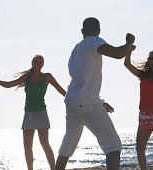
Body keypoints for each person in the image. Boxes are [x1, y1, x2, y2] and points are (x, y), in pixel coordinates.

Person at [55, 17, 135, 170]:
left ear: (82, 31)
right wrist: (129, 43)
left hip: (72, 102)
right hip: (86, 103)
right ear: (98, 31)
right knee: (113, 145)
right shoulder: (93, 41)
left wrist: (100, 101)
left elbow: (82, 80)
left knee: (67, 146)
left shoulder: (76, 49)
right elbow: (118, 53)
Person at [0, 54, 66, 170]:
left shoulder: (47, 77)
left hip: (41, 114)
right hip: (29, 115)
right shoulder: (26, 77)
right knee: (27, 146)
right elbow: (10, 84)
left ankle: (53, 168)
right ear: (32, 63)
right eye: (36, 61)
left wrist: (73, 98)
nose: (38, 64)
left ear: (43, 64)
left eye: (41, 62)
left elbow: (60, 89)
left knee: (45, 144)